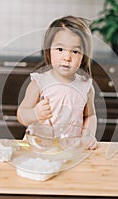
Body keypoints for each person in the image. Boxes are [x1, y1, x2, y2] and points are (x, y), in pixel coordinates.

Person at [17, 15, 98, 150]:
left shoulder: (85, 86)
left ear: (84, 55)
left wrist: (88, 135)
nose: (67, 57)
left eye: (75, 51)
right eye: (60, 49)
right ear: (49, 51)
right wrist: (35, 113)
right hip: (38, 148)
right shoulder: (39, 81)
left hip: (70, 150)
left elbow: (90, 115)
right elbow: (22, 114)